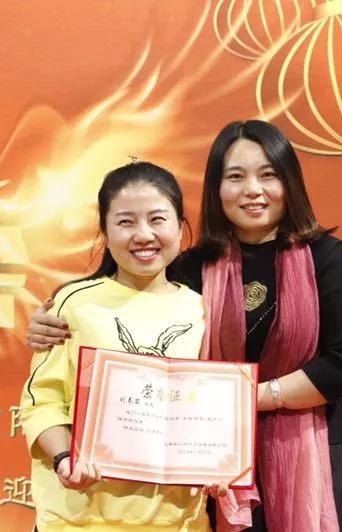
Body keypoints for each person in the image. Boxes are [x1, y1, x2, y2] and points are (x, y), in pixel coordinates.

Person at [27, 120, 342, 532]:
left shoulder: (325, 257)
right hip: (208, 462)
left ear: (289, 181)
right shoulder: (192, 269)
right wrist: (47, 322)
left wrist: (243, 399)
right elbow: (129, 296)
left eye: (268, 175)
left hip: (312, 456)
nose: (252, 190)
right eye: (235, 177)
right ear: (215, 188)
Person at [19, 161, 214, 531]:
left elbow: (211, 410)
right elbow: (41, 402)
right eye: (126, 222)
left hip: (179, 521)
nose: (143, 235)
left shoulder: (203, 309)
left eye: (157, 219)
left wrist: (220, 464)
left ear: (179, 226)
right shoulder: (74, 303)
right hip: (79, 520)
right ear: (105, 233)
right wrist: (65, 457)